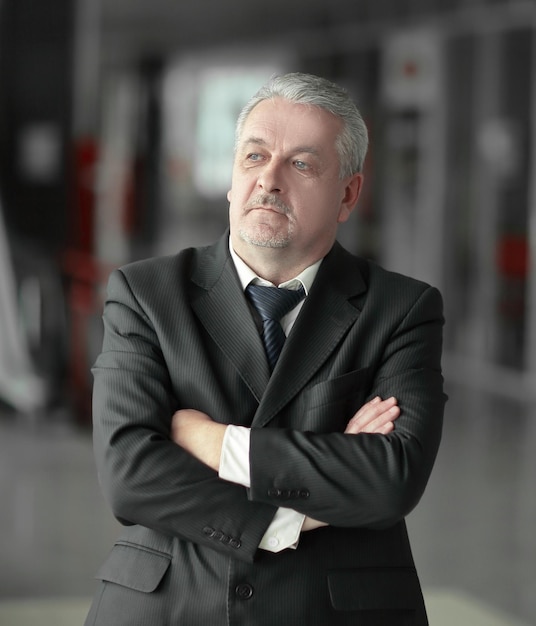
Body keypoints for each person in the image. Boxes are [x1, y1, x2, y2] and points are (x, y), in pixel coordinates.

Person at [85, 72, 446, 626]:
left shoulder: (402, 309)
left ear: (348, 193)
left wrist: (213, 441)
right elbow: (130, 475)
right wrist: (289, 520)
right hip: (169, 606)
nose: (269, 180)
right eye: (254, 157)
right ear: (232, 177)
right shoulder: (146, 294)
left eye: (300, 164)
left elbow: (390, 477)